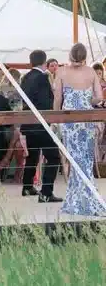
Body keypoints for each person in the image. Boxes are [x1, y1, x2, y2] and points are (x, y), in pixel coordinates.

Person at [54, 43, 104, 215]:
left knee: (73, 160)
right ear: (85, 56)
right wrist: (85, 102)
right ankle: (88, 196)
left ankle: (75, 199)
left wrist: (55, 118)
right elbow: (99, 98)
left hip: (69, 120)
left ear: (69, 55)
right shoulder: (91, 72)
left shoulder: (61, 72)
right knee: (86, 160)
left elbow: (57, 99)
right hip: (86, 118)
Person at [20, 50, 62, 201]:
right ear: (44, 63)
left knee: (33, 156)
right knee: (53, 157)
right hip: (41, 124)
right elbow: (45, 102)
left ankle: (27, 186)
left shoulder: (26, 77)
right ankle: (46, 193)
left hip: (28, 122)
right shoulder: (43, 78)